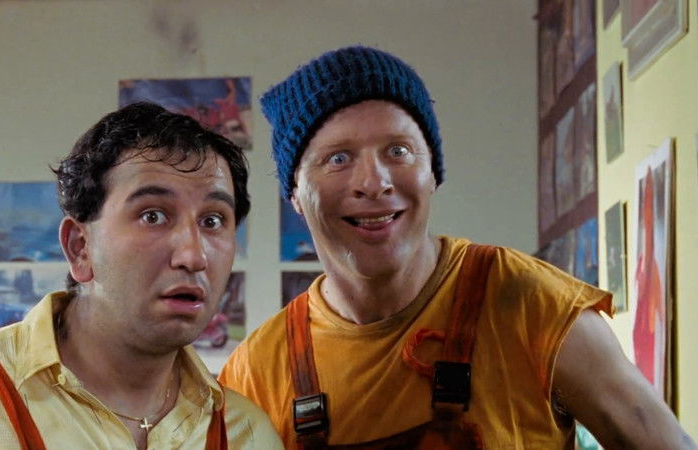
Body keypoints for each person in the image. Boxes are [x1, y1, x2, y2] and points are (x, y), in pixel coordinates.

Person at [218, 46, 694, 449]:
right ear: (295, 195)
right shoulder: (256, 373)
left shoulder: (532, 304)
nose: (374, 182)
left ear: (432, 172)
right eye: (338, 158)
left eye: (398, 151)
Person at [0, 103, 282, 449]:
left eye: (213, 220)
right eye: (153, 215)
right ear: (79, 247)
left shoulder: (245, 433)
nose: (193, 255)